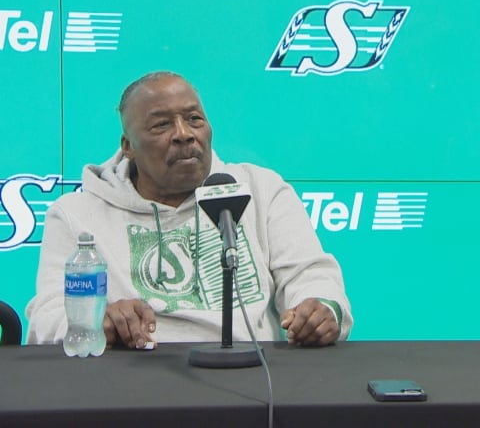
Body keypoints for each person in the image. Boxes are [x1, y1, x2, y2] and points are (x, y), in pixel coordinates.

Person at [26, 71, 352, 349]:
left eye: (194, 119)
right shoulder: (76, 213)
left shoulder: (260, 189)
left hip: (251, 374)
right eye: (161, 125)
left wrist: (321, 307)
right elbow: (47, 318)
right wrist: (99, 322)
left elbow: (309, 276)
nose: (184, 134)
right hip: (131, 380)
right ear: (128, 147)